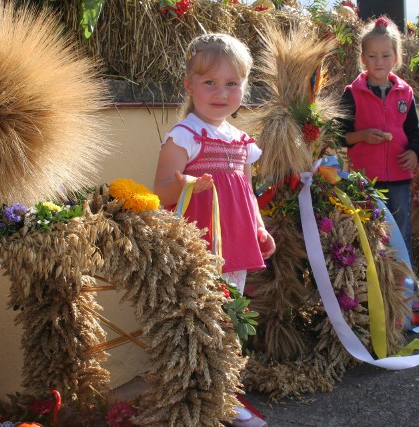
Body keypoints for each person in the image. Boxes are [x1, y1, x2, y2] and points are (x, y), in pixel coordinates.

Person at [153, 33, 274, 427]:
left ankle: (223, 394)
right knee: (199, 322)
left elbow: (248, 192)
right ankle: (196, 396)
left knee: (229, 316)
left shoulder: (241, 141)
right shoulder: (184, 136)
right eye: (210, 83)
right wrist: (188, 182)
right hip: (199, 245)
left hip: (234, 245)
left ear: (244, 86)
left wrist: (259, 228)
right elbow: (160, 190)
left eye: (232, 83)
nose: (221, 93)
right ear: (189, 85)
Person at [337, 16, 419, 310]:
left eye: (385, 55)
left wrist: (415, 153)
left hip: (399, 179)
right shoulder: (352, 94)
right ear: (362, 58)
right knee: (369, 237)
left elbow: (414, 134)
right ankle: (369, 297)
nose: (379, 61)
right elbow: (339, 136)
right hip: (366, 181)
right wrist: (361, 136)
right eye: (372, 56)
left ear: (396, 58)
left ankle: (405, 296)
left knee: (400, 236)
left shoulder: (405, 93)